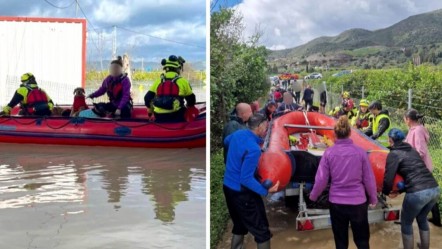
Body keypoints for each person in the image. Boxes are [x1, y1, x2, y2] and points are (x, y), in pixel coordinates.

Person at [310, 116, 377, 249]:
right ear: (350, 133)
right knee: (362, 241)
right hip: (358, 203)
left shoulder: (329, 153)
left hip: (337, 204)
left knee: (340, 242)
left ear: (334, 133)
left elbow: (321, 179)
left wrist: (313, 196)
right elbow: (369, 179)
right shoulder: (360, 152)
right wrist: (373, 198)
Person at [223, 114, 280, 249]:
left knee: (239, 226)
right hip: (242, 193)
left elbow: (226, 141)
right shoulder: (253, 149)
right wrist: (265, 191)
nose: (266, 129)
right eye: (266, 126)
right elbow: (246, 178)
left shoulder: (238, 134)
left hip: (228, 187)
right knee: (262, 231)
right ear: (259, 126)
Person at [382, 128, 440, 249]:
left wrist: (386, 193)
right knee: (422, 218)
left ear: (390, 139)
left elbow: (389, 177)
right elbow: (414, 173)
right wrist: (400, 191)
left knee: (406, 222)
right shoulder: (412, 150)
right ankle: (424, 247)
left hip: (417, 192)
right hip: (434, 188)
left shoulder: (393, 154)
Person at [404, 109, 441, 227]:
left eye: (404, 119)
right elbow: (407, 143)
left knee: (420, 189)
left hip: (421, 167)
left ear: (408, 119)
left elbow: (420, 151)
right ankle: (435, 218)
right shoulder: (413, 129)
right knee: (428, 190)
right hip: (420, 166)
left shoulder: (418, 131)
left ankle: (409, 216)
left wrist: (409, 160)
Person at [144, 55, 196, 123]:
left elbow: (147, 98)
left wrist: (150, 111)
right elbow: (191, 99)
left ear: (165, 68)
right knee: (183, 109)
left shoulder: (158, 81)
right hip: (176, 115)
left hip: (159, 116)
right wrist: (189, 107)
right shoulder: (183, 81)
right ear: (178, 69)